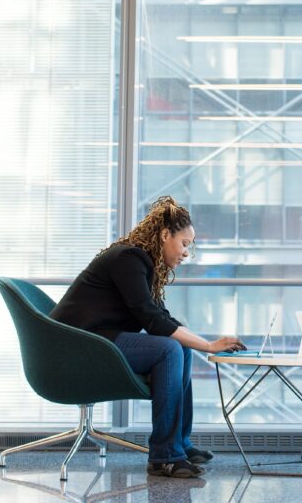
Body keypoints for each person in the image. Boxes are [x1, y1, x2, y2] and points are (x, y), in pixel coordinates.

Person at [50, 196, 245, 478]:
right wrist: (208, 346)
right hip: (78, 345)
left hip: (98, 340)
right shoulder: (129, 258)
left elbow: (161, 318)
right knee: (169, 349)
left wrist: (205, 343)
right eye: (185, 244)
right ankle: (164, 457)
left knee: (178, 347)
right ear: (165, 235)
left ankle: (178, 444)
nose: (187, 253)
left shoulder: (141, 262)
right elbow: (152, 321)